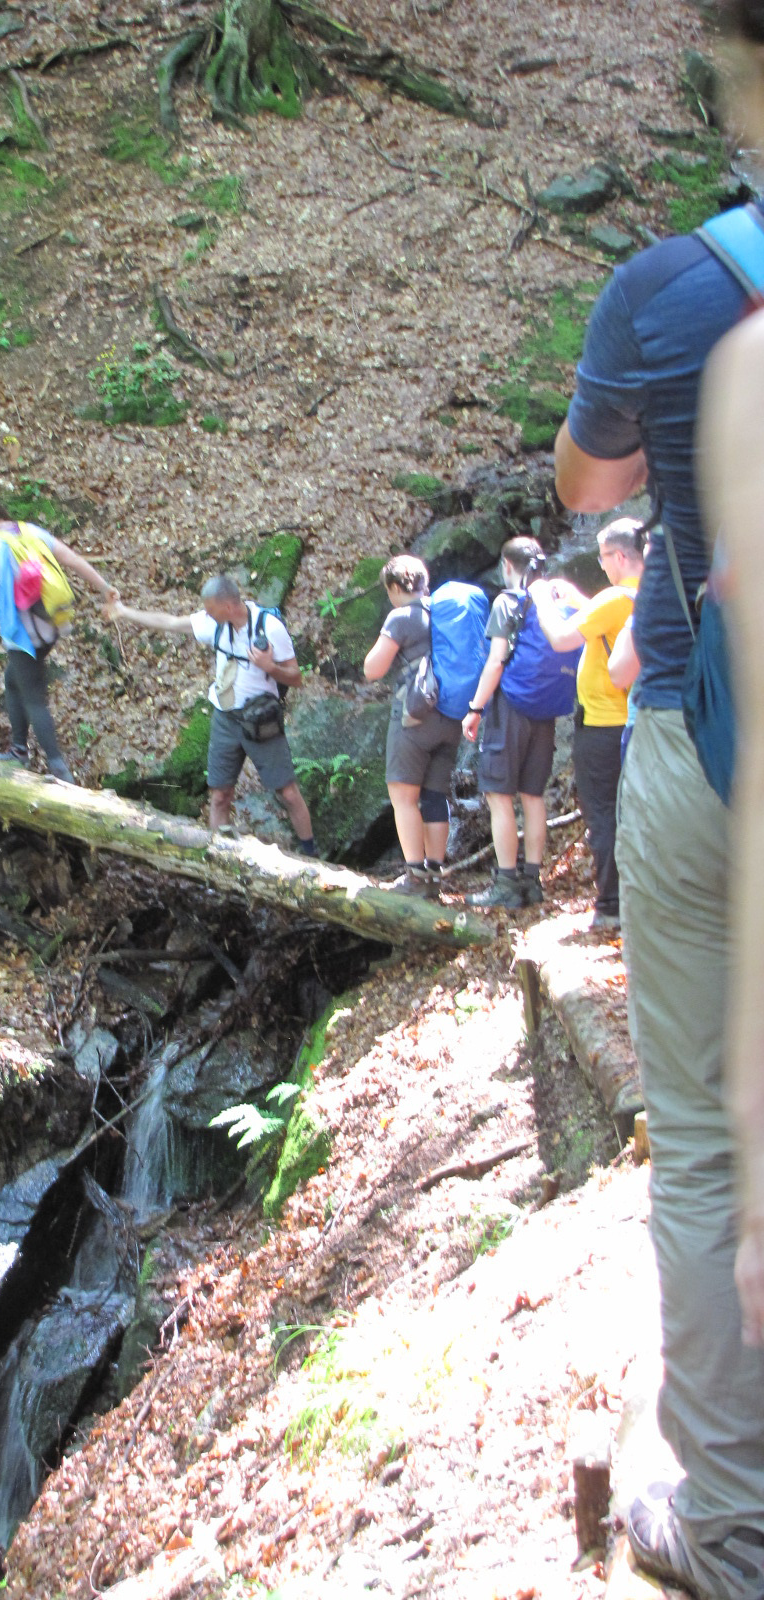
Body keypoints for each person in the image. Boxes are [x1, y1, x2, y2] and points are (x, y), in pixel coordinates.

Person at [554, 41, 764, 1583]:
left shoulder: (684, 284)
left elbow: (585, 481)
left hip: (719, 740)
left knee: (703, 1142)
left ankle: (734, 1531)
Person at [106, 574, 317, 854]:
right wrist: (124, 612)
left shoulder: (269, 628)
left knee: (288, 792)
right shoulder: (214, 624)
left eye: (210, 608)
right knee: (219, 796)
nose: (206, 614)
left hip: (261, 720)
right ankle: (221, 857)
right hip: (225, 719)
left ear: (229, 606)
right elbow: (170, 622)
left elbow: (296, 677)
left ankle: (310, 852)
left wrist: (270, 667)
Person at [527, 517, 644, 928]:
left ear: (618, 556)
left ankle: (611, 906)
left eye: (602, 556)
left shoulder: (616, 599)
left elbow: (561, 638)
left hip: (603, 726)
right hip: (636, 724)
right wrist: (578, 599)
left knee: (604, 814)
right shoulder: (647, 595)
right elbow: (608, 623)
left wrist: (542, 598)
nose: (601, 562)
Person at [0, 496, 115, 781]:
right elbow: (74, 560)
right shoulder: (30, 530)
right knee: (12, 681)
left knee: (34, 697)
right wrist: (105, 588)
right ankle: (19, 748)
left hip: (23, 634)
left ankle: (59, 769)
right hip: (51, 623)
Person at [461, 536, 561, 910]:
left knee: (499, 795)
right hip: (546, 706)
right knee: (533, 795)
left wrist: (475, 707)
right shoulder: (553, 598)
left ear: (507, 565)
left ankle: (505, 884)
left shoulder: (507, 601)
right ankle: (533, 882)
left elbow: (496, 661)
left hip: (512, 708)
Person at [362, 554, 461, 897]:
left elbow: (372, 669)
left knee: (403, 797)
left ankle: (415, 877)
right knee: (435, 796)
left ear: (393, 587)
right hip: (451, 716)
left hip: (415, 717)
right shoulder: (446, 612)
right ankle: (435, 875)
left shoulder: (402, 616)